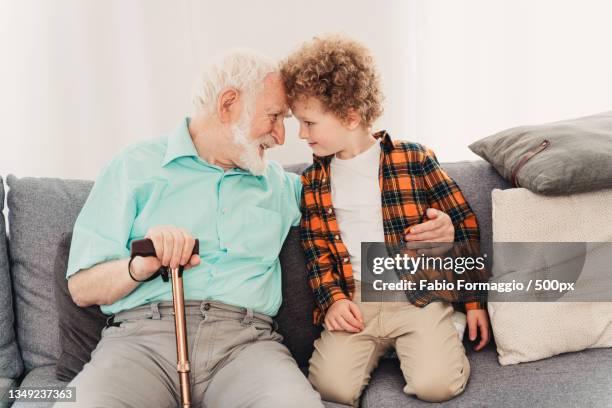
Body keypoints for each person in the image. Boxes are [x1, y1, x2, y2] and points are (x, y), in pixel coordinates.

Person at [54, 50, 323, 408]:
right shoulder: (134, 167)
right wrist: (139, 267)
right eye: (274, 117)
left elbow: (364, 219)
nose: (281, 135)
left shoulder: (280, 185)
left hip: (247, 347)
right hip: (141, 343)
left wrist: (424, 239)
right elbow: (82, 287)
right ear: (228, 104)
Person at [280, 35, 490, 407]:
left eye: (309, 123)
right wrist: (332, 302)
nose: (301, 134)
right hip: (357, 298)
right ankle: (391, 347)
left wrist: (473, 302)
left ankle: (441, 327)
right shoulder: (313, 181)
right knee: (330, 388)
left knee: (435, 386)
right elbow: (316, 251)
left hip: (417, 296)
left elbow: (464, 223)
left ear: (350, 115)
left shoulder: (414, 159)